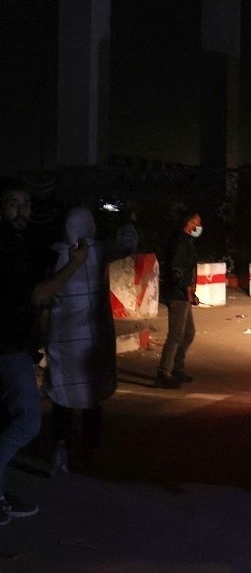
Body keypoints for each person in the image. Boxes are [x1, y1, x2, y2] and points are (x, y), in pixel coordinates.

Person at [0, 179, 87, 525]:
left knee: (11, 419)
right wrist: (74, 264)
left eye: (26, 204)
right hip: (7, 346)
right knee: (27, 422)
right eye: (13, 203)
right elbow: (36, 295)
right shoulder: (5, 244)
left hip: (14, 343)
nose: (22, 210)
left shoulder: (20, 242)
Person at [42, 206, 137, 475]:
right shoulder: (100, 250)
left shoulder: (56, 254)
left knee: (62, 396)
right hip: (94, 339)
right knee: (93, 397)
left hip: (63, 339)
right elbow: (129, 244)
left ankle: (60, 447)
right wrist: (128, 220)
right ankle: (89, 453)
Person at [155, 210, 202, 389]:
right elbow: (175, 269)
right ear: (189, 223)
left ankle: (176, 368)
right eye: (198, 222)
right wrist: (186, 287)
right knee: (175, 334)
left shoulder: (187, 241)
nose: (200, 226)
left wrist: (191, 291)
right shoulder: (180, 242)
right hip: (177, 294)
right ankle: (163, 373)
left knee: (188, 332)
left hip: (183, 293)